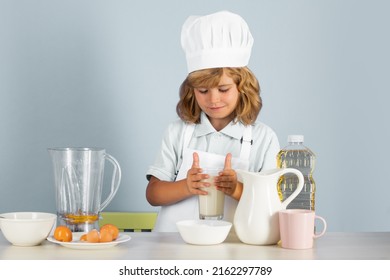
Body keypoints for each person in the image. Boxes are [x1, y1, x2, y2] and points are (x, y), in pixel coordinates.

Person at [146, 11, 280, 232]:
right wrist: (186, 186)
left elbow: (270, 204)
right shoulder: (177, 132)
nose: (213, 99)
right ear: (192, 91)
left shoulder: (263, 138)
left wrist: (236, 189)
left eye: (224, 89)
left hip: (235, 251)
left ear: (243, 87)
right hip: (176, 249)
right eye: (203, 90)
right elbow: (153, 195)